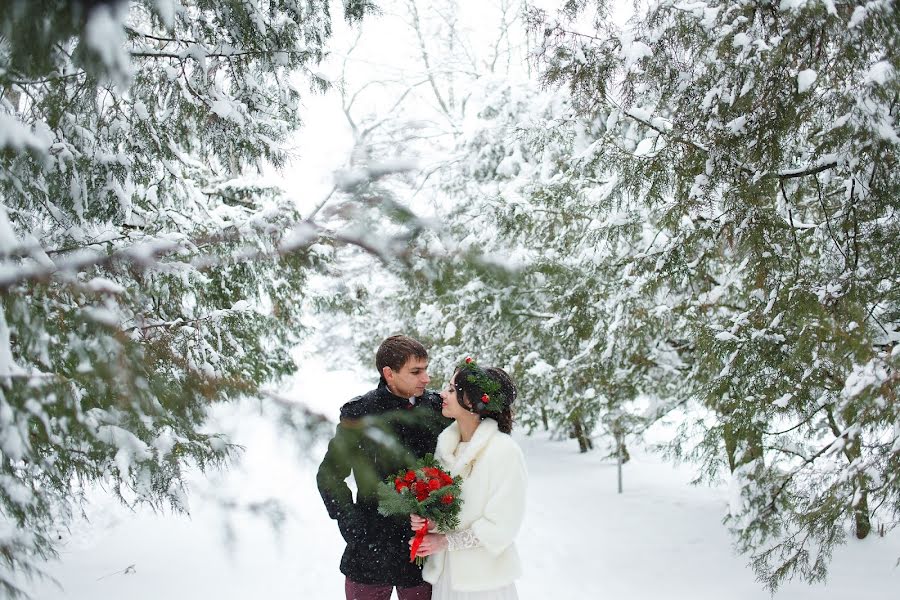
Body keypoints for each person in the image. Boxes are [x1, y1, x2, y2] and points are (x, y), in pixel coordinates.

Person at [317, 335, 451, 600]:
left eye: (426, 369)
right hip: (369, 550)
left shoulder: (438, 409)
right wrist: (351, 524)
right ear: (389, 373)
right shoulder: (360, 413)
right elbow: (330, 475)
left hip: (421, 549)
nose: (426, 378)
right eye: (416, 371)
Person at [410, 359, 527, 600]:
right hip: (446, 579)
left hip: (485, 583)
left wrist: (445, 541)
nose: (443, 394)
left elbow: (503, 525)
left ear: (473, 403)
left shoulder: (503, 451)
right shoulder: (445, 448)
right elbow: (452, 512)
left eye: (452, 390)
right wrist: (429, 522)